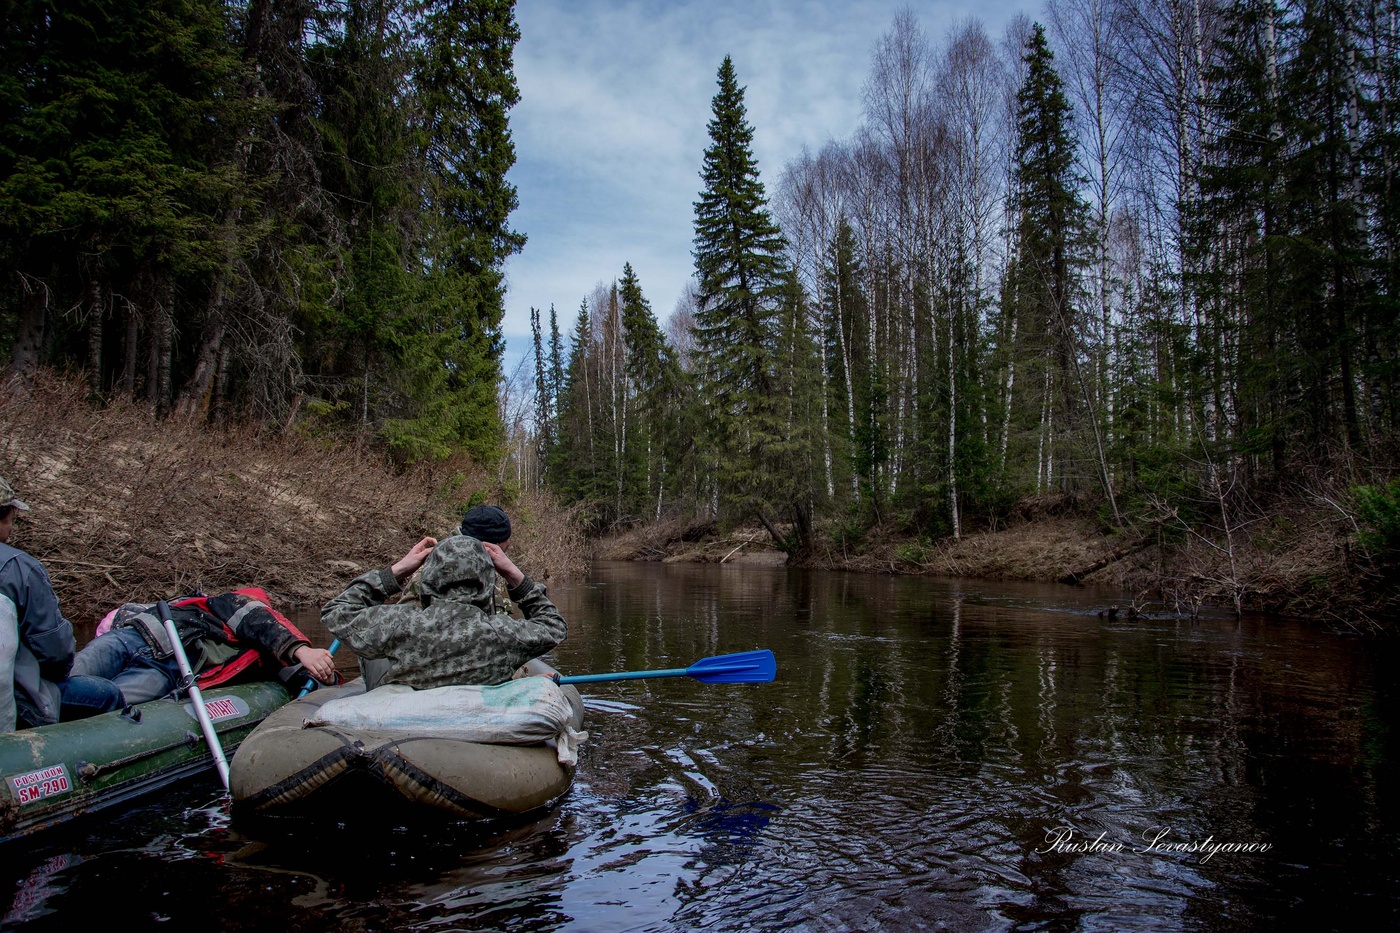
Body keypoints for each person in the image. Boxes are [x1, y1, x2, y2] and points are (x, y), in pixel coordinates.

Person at [323, 530, 566, 691]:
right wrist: (514, 574)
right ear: (488, 584)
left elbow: (336, 611)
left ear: (427, 582)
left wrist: (396, 571)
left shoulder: (398, 624)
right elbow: (554, 625)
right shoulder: (502, 633)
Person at [69, 587, 338, 707]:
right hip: (134, 637)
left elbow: (293, 675)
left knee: (107, 698)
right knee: (68, 677)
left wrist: (325, 675)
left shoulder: (261, 660)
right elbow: (257, 619)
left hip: (168, 670)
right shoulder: (228, 604)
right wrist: (302, 649)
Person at [0, 476, 122, 730]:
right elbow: (56, 654)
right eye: (11, 519)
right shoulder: (19, 569)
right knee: (107, 694)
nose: (12, 528)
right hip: (18, 700)